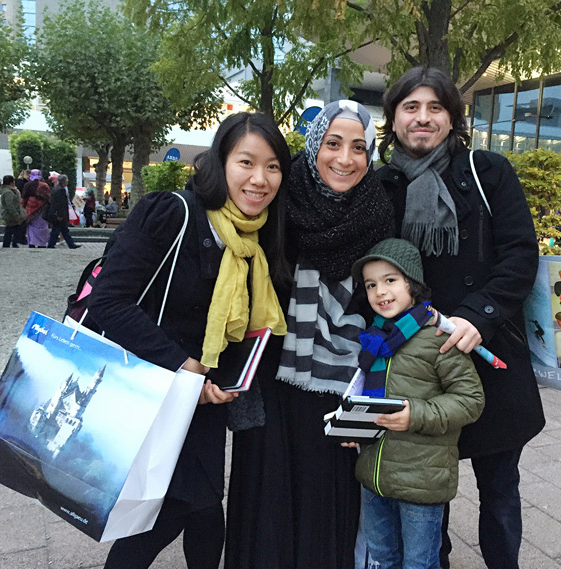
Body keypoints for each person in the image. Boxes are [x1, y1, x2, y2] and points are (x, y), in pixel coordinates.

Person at [87, 112, 292, 569]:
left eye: (273, 166)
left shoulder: (255, 237)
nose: (260, 179)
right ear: (221, 162)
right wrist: (183, 366)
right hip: (152, 389)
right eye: (246, 162)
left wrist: (224, 378)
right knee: (179, 508)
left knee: (202, 505)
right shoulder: (172, 213)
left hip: (199, 399)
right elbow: (109, 302)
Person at [376, 66, 545, 569]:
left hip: (485, 349)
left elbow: (520, 254)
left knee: (499, 485)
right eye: (410, 107)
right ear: (393, 118)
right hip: (416, 365)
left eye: (435, 107)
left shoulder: (487, 171)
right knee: (427, 489)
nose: (423, 118)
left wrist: (478, 315)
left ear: (452, 118)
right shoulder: (380, 184)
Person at [225, 100, 394, 569]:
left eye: (359, 148)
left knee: (327, 491)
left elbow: (386, 307)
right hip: (271, 375)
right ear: (315, 144)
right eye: (333, 143)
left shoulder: (381, 212)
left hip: (340, 380)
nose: (345, 158)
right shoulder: (280, 200)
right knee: (269, 489)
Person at [348, 237, 484, 569]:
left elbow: (471, 399)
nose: (380, 292)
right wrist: (352, 426)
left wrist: (416, 415)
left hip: (422, 481)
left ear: (412, 284)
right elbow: (364, 395)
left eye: (390, 280)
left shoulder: (438, 337)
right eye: (371, 284)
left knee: (419, 563)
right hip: (374, 476)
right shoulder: (375, 339)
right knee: (382, 558)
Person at [47, 174, 81, 249]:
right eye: (67, 181)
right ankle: (52, 244)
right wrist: (60, 215)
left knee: (62, 230)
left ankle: (70, 244)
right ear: (64, 181)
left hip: (57, 213)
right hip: (60, 214)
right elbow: (60, 204)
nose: (67, 182)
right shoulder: (61, 190)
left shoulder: (56, 188)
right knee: (58, 230)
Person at [22, 179, 50, 248]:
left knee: (31, 226)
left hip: (30, 207)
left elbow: (24, 196)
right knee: (42, 226)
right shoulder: (44, 185)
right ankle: (41, 243)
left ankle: (32, 242)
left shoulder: (28, 185)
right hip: (42, 208)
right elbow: (48, 197)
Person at [1, 175, 27, 248]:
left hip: (11, 214)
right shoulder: (8, 192)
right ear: (11, 182)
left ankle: (14, 243)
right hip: (10, 214)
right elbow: (10, 205)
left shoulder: (9, 190)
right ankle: (9, 244)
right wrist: (16, 214)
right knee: (10, 229)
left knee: (15, 229)